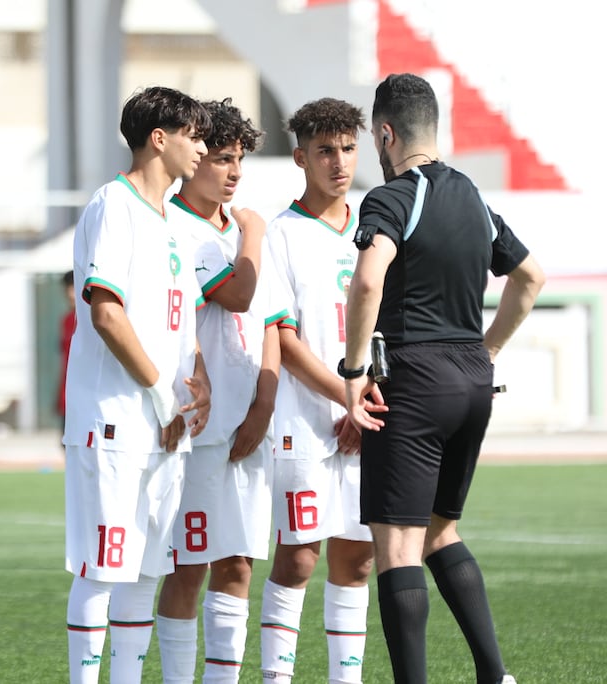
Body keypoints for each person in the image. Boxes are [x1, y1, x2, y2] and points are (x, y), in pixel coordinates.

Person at [341, 73, 546, 684]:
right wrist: (488, 349)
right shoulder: (473, 199)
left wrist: (353, 372)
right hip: (471, 380)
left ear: (385, 134)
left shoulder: (392, 197)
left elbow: (369, 280)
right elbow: (530, 277)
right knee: (439, 531)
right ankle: (495, 675)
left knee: (397, 548)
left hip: (413, 380)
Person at [62, 85, 213, 684]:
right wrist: (160, 393)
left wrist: (197, 381)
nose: (202, 149)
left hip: (166, 426)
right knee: (103, 568)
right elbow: (106, 312)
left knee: (145, 572)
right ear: (158, 138)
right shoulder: (113, 204)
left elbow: (180, 322)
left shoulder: (174, 222)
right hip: (116, 418)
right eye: (193, 136)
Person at [155, 98, 287, 684]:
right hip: (198, 428)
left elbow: (272, 319)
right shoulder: (175, 227)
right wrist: (253, 233)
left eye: (239, 160)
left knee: (238, 565)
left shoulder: (239, 228)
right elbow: (237, 294)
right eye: (221, 159)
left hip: (248, 425)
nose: (233, 172)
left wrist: (265, 404)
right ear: (194, 158)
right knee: (189, 567)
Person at [261, 97, 381, 684]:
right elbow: (283, 338)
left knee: (357, 559)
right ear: (300, 158)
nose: (339, 162)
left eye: (348, 148)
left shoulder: (375, 230)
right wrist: (345, 397)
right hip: (304, 420)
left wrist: (367, 400)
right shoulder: (281, 234)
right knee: (299, 556)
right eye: (325, 150)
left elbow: (389, 326)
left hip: (368, 414)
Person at [56, 270, 76, 435]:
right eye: (67, 289)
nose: (70, 294)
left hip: (85, 397)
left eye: (74, 288)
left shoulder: (94, 320)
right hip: (67, 396)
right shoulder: (66, 320)